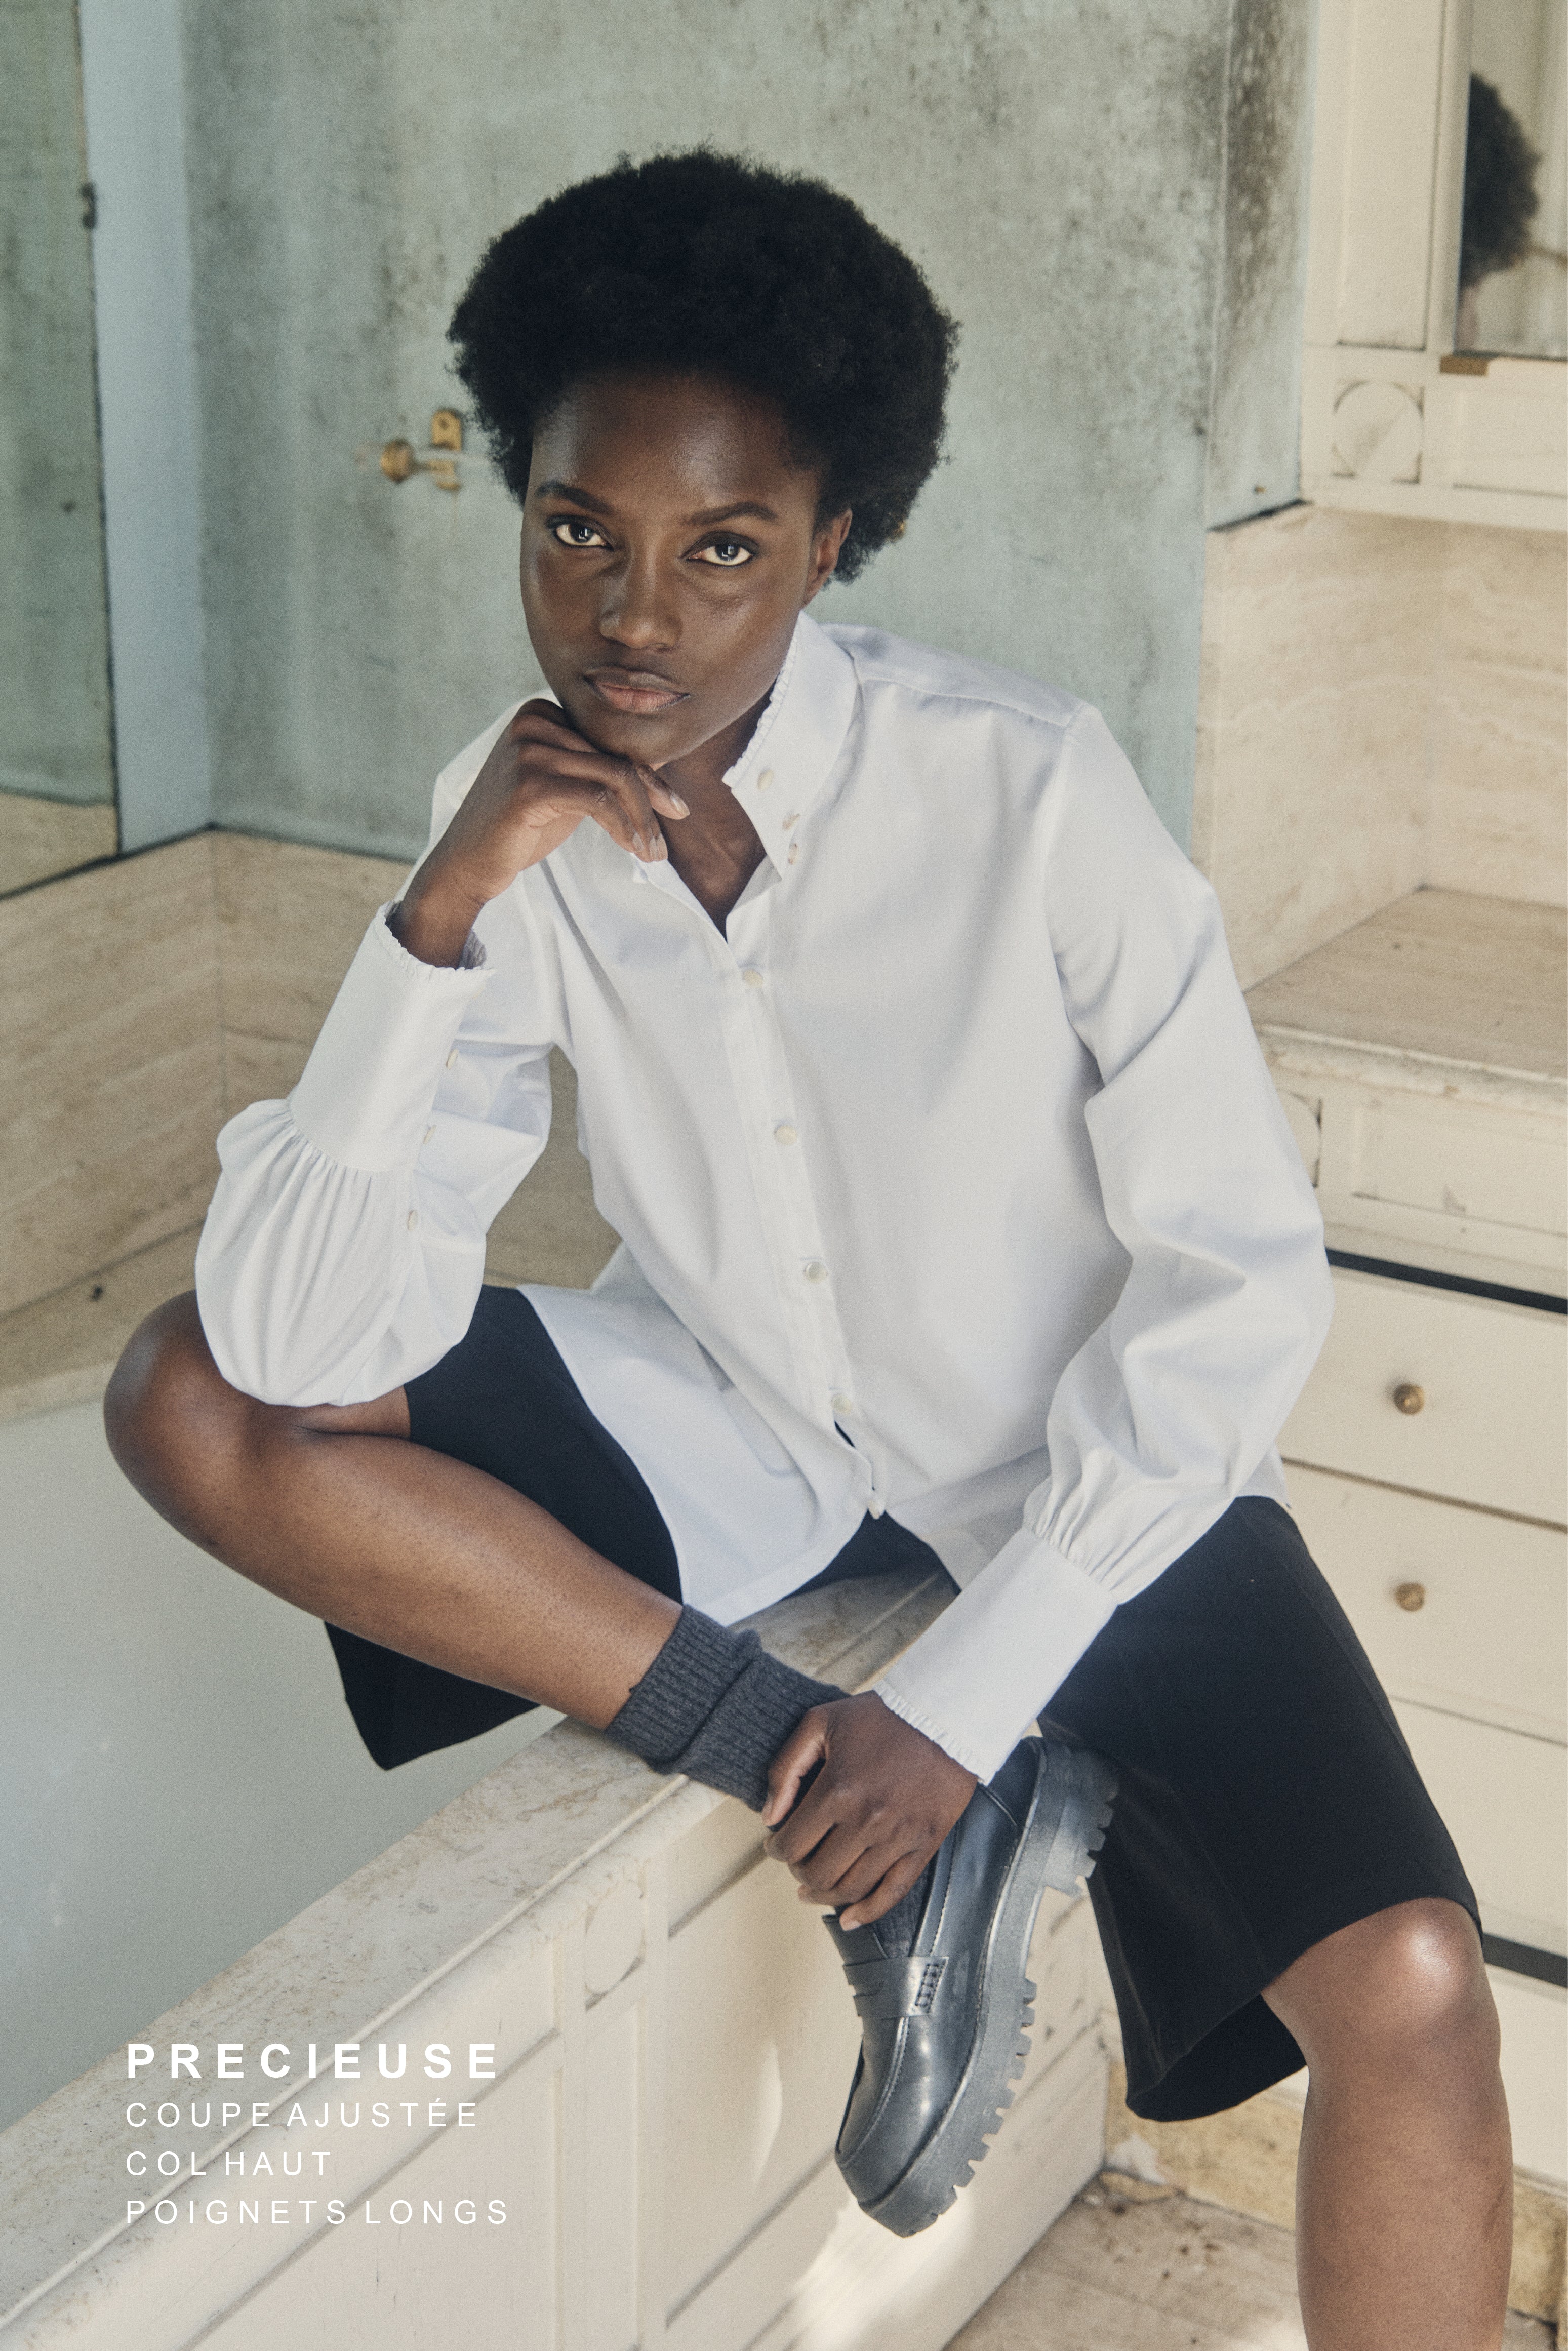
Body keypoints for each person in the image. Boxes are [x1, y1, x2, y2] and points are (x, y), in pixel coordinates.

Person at [106, 150, 1512, 2343]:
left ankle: (934, 1794)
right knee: (185, 1392)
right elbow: (303, 1338)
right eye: (577, 530)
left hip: (1060, 1462)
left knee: (1416, 1989)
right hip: (744, 1432)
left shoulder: (1030, 791)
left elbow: (1237, 1282)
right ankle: (792, 1758)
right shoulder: (520, 813)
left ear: (833, 542)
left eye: (721, 549)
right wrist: (442, 920)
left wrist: (959, 1700)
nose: (631, 618)